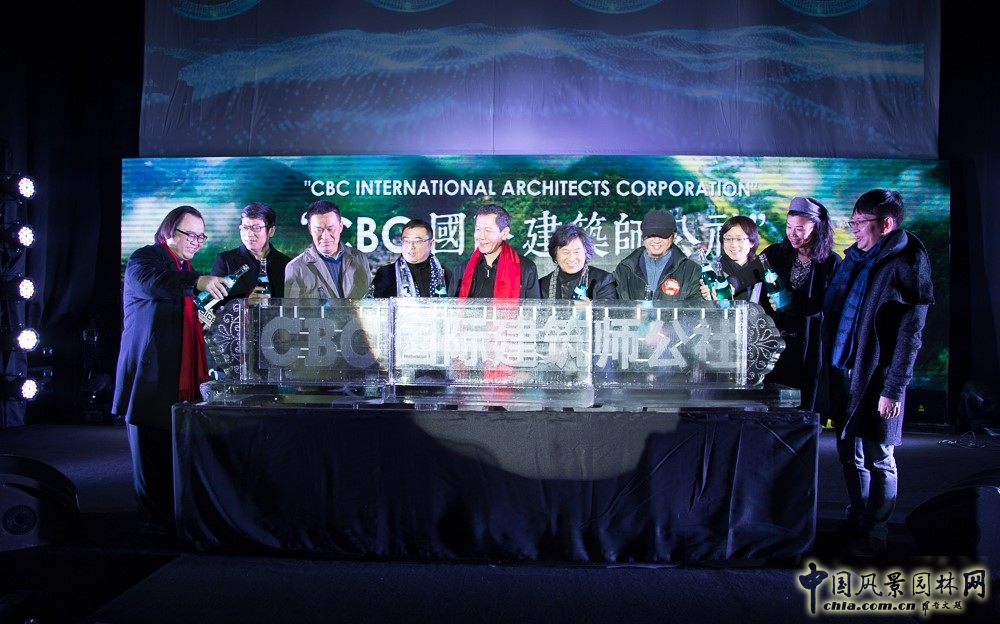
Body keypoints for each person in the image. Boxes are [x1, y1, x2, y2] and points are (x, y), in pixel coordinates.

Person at [822, 189, 934, 557]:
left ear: (885, 224)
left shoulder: (907, 263)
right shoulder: (855, 259)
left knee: (879, 457)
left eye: (860, 222)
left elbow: (910, 336)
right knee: (849, 453)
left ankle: (876, 533)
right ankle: (857, 519)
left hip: (877, 377)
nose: (854, 229)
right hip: (844, 370)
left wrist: (894, 389)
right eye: (852, 222)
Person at [112, 206, 235, 537]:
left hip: (179, 378)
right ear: (168, 232)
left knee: (172, 453)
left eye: (200, 236)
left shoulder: (185, 269)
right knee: (149, 456)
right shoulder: (146, 260)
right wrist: (197, 282)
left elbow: (190, 314)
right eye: (188, 234)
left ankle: (172, 517)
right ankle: (152, 523)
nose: (195, 241)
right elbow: (156, 284)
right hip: (149, 378)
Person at [760, 197, 841, 414]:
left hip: (811, 343)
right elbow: (750, 279)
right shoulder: (774, 254)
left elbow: (833, 305)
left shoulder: (831, 262)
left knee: (804, 404)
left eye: (800, 229)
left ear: (817, 228)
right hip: (775, 341)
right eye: (789, 227)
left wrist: (795, 302)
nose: (792, 234)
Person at [449, 203, 541, 299]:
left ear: (504, 233)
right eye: (478, 229)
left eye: (488, 230)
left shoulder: (525, 269)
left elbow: (533, 307)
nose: (481, 236)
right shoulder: (462, 270)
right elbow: (450, 307)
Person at [284, 199, 371, 299]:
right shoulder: (296, 267)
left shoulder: (360, 258)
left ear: (341, 226)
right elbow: (292, 308)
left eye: (330, 229)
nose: (325, 236)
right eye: (318, 230)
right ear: (310, 229)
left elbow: (368, 300)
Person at [211, 201, 291, 306]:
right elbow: (213, 305)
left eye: (256, 228)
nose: (249, 234)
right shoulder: (225, 260)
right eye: (245, 227)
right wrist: (245, 302)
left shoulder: (287, 264)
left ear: (271, 231)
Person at [612, 209, 701, 302]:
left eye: (663, 235)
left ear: (674, 235)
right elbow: (612, 304)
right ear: (642, 234)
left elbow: (696, 307)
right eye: (651, 235)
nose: (657, 241)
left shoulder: (691, 270)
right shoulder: (624, 269)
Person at [372, 218, 452, 297]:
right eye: (406, 241)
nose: (411, 246)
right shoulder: (386, 274)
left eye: (417, 241)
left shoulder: (445, 275)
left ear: (431, 244)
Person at [539, 223, 617, 300]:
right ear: (555, 255)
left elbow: (608, 308)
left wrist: (590, 306)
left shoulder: (603, 280)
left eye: (576, 252)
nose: (571, 258)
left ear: (586, 253)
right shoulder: (542, 285)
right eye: (565, 252)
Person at [699, 215, 765, 303]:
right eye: (728, 239)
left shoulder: (762, 271)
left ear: (752, 242)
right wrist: (707, 300)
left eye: (739, 239)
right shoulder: (711, 273)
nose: (733, 245)